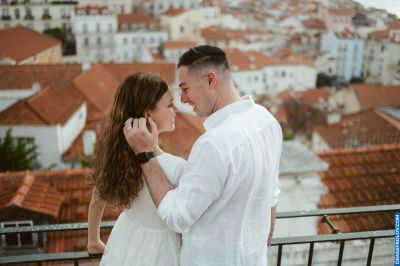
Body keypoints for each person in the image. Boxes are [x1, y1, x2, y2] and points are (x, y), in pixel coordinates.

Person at [123, 45, 283, 266]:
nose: (183, 99)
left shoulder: (214, 144)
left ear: (210, 79)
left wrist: (145, 154)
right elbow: (271, 196)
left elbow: (177, 216)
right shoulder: (267, 121)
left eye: (185, 88)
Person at [87, 73, 185, 266]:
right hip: (163, 252)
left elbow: (96, 201)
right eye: (169, 104)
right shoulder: (176, 167)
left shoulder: (114, 156)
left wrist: (93, 241)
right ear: (148, 114)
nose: (175, 110)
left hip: (126, 240)